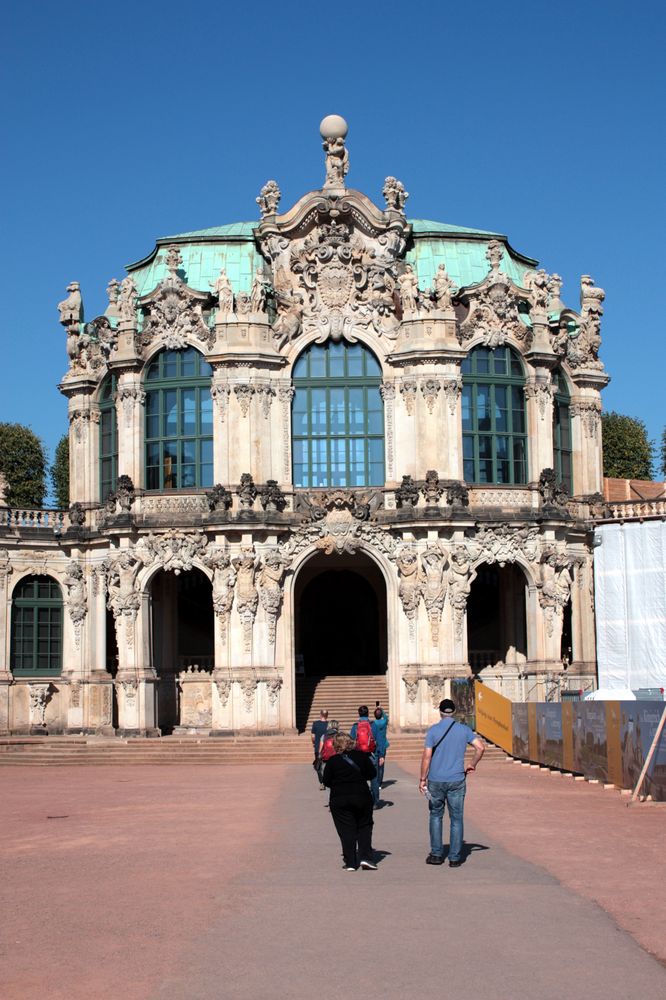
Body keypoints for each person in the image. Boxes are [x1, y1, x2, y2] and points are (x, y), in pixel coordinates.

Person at [419, 698, 485, 867]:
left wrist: (422, 778)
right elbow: (480, 747)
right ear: (454, 712)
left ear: (440, 712)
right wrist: (472, 764)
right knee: (456, 818)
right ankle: (455, 857)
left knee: (435, 816)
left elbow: (427, 756)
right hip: (456, 778)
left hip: (436, 779)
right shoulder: (464, 730)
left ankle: (436, 854)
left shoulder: (433, 731)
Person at [322, 732, 377, 871]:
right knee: (364, 826)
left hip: (340, 799)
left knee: (346, 829)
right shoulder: (362, 756)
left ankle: (351, 862)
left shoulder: (333, 761)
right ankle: (366, 858)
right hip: (361, 796)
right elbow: (372, 774)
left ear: (336, 745)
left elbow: (326, 781)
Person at [350, 705, 380, 804]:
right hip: (372, 755)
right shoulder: (373, 725)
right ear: (368, 713)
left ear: (359, 713)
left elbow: (351, 742)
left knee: (359, 779)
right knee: (374, 779)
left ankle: (361, 800)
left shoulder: (355, 726)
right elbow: (378, 741)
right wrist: (381, 755)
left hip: (359, 757)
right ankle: (375, 801)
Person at [372, 707, 390, 802]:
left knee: (376, 763)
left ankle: (376, 781)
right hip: (383, 743)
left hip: (376, 744)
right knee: (382, 765)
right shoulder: (383, 722)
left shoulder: (373, 724)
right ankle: (379, 783)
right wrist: (381, 709)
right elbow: (386, 718)